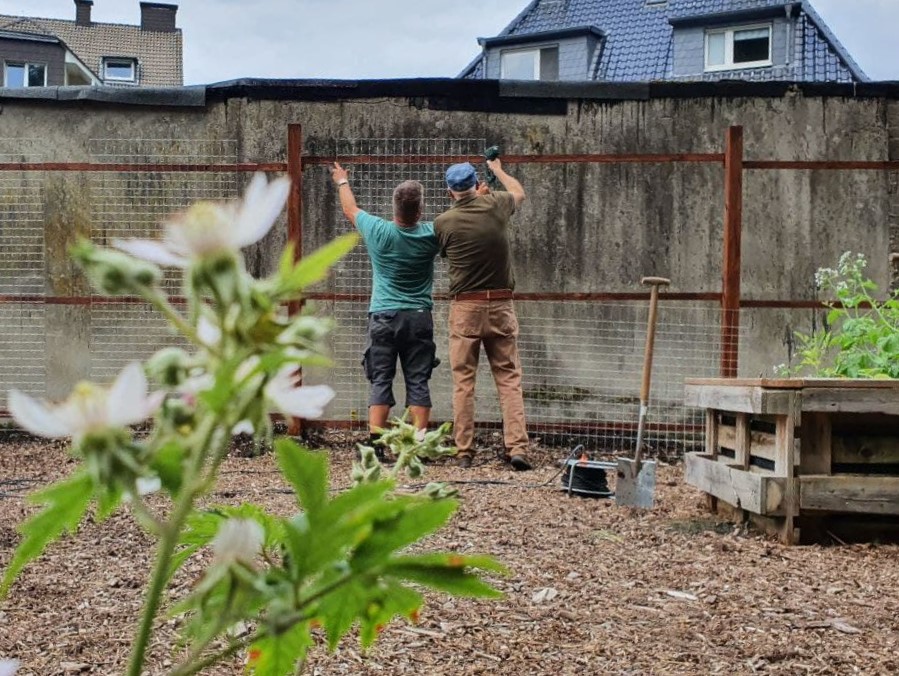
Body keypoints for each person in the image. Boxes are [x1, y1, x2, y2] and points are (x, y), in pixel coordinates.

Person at [331, 162, 439, 452]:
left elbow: (350, 210)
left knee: (381, 378)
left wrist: (342, 181)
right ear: (419, 210)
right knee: (418, 379)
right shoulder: (431, 234)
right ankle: (417, 445)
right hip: (418, 317)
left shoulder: (377, 230)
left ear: (394, 208)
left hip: (383, 316)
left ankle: (376, 444)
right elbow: (457, 222)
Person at [434, 159, 532, 471]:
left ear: (450, 192)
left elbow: (447, 251)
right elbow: (518, 192)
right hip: (501, 304)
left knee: (464, 381)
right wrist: (499, 170)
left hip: (465, 308)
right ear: (477, 183)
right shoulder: (497, 205)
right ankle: (517, 447)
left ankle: (464, 450)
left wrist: (479, 197)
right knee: (508, 379)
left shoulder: (444, 222)